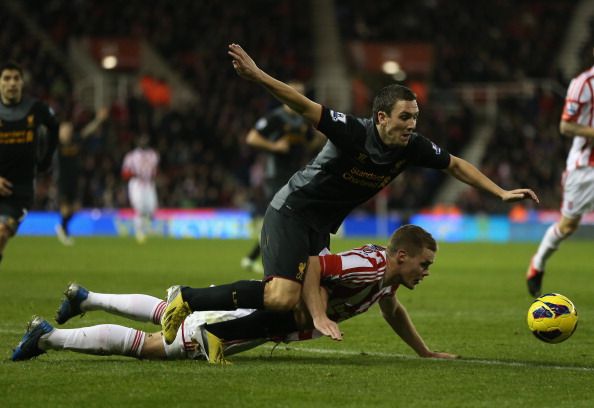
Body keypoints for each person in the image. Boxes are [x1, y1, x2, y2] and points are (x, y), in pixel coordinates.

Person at [160, 43, 539, 345]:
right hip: (292, 211)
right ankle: (187, 297)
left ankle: (215, 337)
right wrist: (258, 75)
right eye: (405, 117)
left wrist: (501, 191)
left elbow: (455, 164)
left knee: (300, 312)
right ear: (381, 118)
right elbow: (302, 105)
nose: (412, 125)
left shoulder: (413, 147)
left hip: (320, 228)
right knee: (281, 297)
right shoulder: (353, 132)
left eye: (415, 118)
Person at [12, 225, 458, 363]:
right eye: (424, 264)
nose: (427, 272)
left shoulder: (384, 280)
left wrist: (425, 352)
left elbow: (393, 310)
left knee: (166, 314)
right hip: (262, 311)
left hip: (268, 314)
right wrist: (319, 316)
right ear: (401, 256)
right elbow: (318, 266)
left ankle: (85, 298)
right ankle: (48, 336)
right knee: (158, 348)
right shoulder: (370, 266)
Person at [526, 52, 594, 297]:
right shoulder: (584, 83)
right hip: (587, 168)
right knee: (568, 226)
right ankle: (538, 263)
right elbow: (566, 126)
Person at [241, 80, 324, 273]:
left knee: (283, 218)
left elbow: (308, 146)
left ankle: (252, 258)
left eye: (302, 93)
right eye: (295, 92)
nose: (298, 96)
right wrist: (274, 146)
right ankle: (270, 262)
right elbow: (251, 138)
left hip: (295, 175)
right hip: (275, 174)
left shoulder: (303, 120)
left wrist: (319, 139)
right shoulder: (275, 118)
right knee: (282, 217)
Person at [0, 61, 59, 265]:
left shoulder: (35, 109)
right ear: (0, 83)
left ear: (22, 82)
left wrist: (46, 159)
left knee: (1, 233)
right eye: (7, 78)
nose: (12, 83)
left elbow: (54, 127)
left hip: (19, 191)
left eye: (16, 78)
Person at [55, 107, 109, 246]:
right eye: (64, 130)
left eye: (68, 130)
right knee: (66, 208)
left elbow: (88, 131)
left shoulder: (76, 141)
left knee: (76, 207)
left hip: (75, 179)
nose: (66, 132)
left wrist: (99, 120)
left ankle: (63, 228)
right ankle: (62, 229)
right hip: (62, 180)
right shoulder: (56, 144)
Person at [121, 133, 159, 243]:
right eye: (141, 140)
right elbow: (125, 172)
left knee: (151, 208)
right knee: (139, 207)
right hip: (136, 183)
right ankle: (139, 232)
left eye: (145, 139)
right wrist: (135, 174)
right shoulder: (131, 156)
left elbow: (155, 170)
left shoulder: (153, 155)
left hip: (148, 184)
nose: (143, 142)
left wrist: (151, 176)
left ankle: (146, 228)